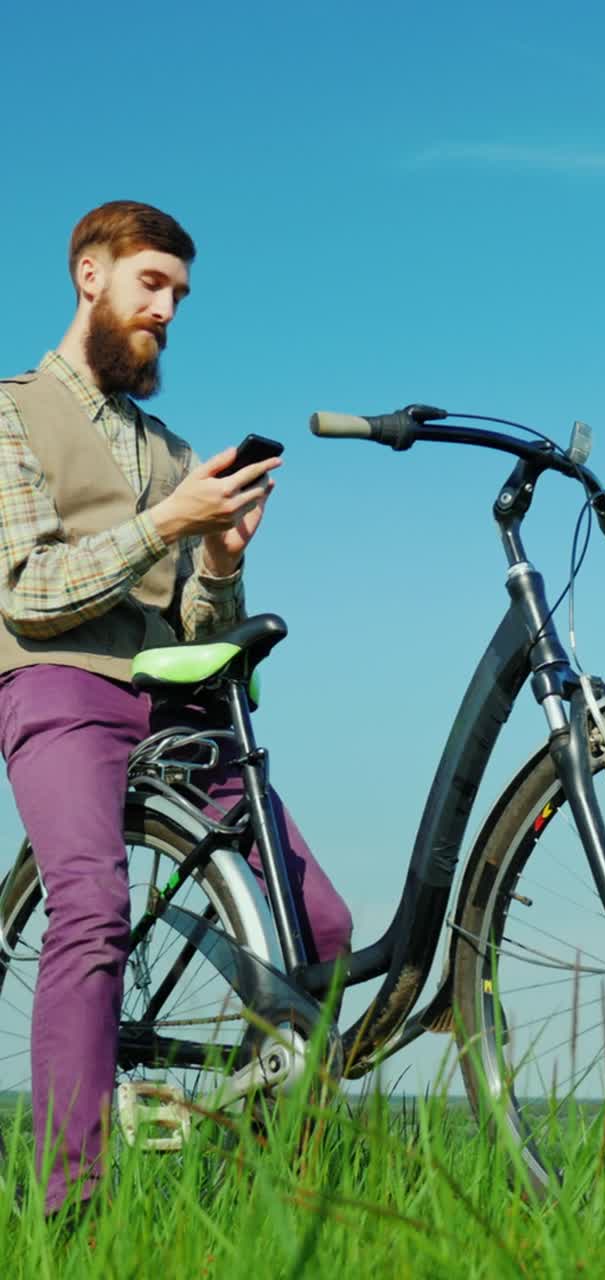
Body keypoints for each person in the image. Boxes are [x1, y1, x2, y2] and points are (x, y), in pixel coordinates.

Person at [0, 200, 353, 1219]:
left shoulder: (171, 446)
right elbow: (26, 590)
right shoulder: (14, 412)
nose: (166, 309)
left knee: (319, 922)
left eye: (179, 295)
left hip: (179, 697)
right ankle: (70, 1205)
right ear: (88, 275)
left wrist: (217, 556)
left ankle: (280, 1180)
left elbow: (197, 613)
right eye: (150, 284)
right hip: (59, 684)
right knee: (94, 908)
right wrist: (165, 522)